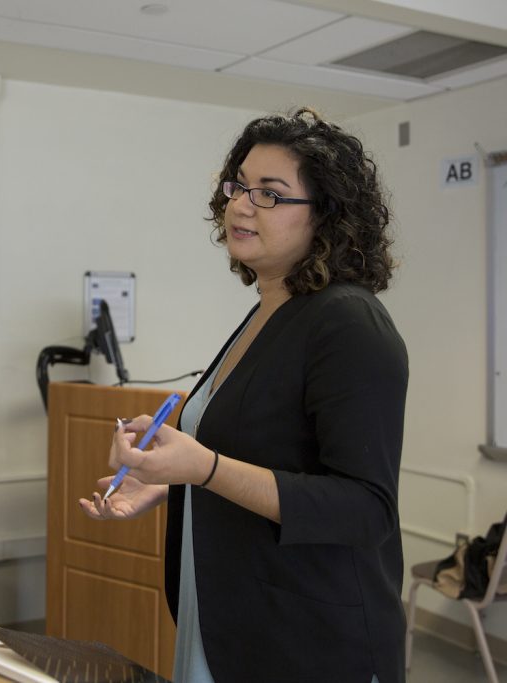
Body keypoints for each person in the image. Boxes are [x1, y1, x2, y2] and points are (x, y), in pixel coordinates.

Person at [80, 108, 408, 683]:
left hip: (309, 641)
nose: (240, 204)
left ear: (326, 216)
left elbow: (365, 508)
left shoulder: (349, 322)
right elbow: (260, 456)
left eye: (271, 195)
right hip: (234, 617)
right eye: (239, 186)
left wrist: (202, 468)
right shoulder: (269, 311)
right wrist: (165, 478)